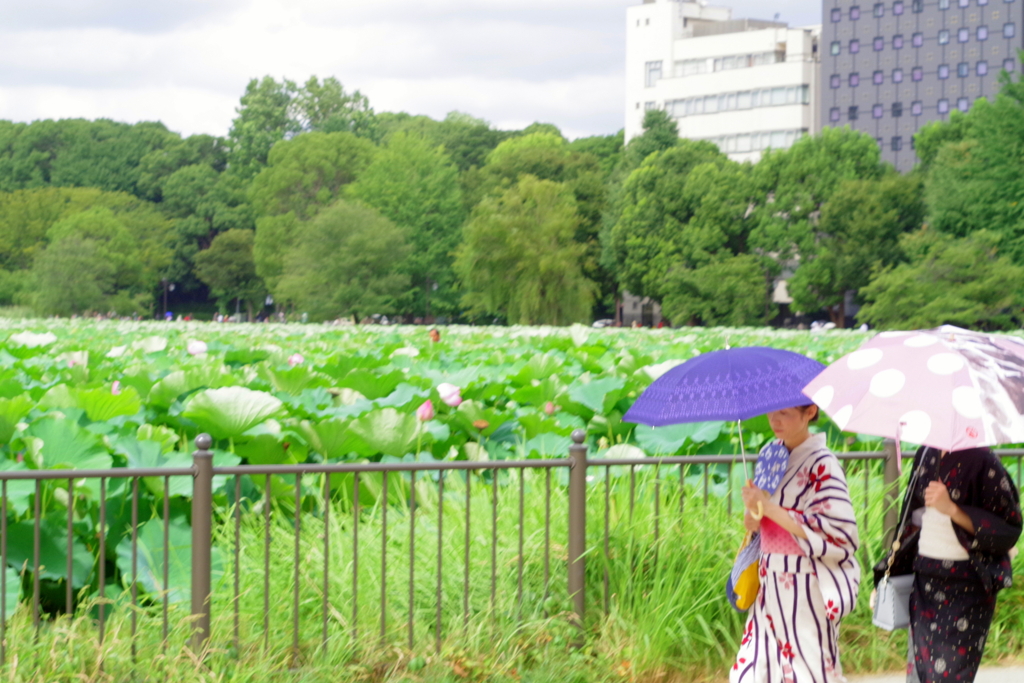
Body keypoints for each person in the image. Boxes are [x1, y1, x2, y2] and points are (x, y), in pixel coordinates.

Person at [731, 405, 861, 683]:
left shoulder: (824, 463)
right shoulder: (770, 454)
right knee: (754, 668)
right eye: (771, 412)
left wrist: (767, 508)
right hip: (768, 575)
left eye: (785, 413)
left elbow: (838, 530)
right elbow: (759, 519)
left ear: (809, 412)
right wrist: (753, 515)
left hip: (804, 580)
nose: (774, 420)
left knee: (809, 667)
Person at [872, 447, 1021, 683]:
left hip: (966, 584)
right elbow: (909, 519)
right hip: (925, 579)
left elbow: (1007, 529)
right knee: (919, 670)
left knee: (951, 675)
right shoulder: (925, 454)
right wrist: (888, 574)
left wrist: (952, 509)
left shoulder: (984, 460)